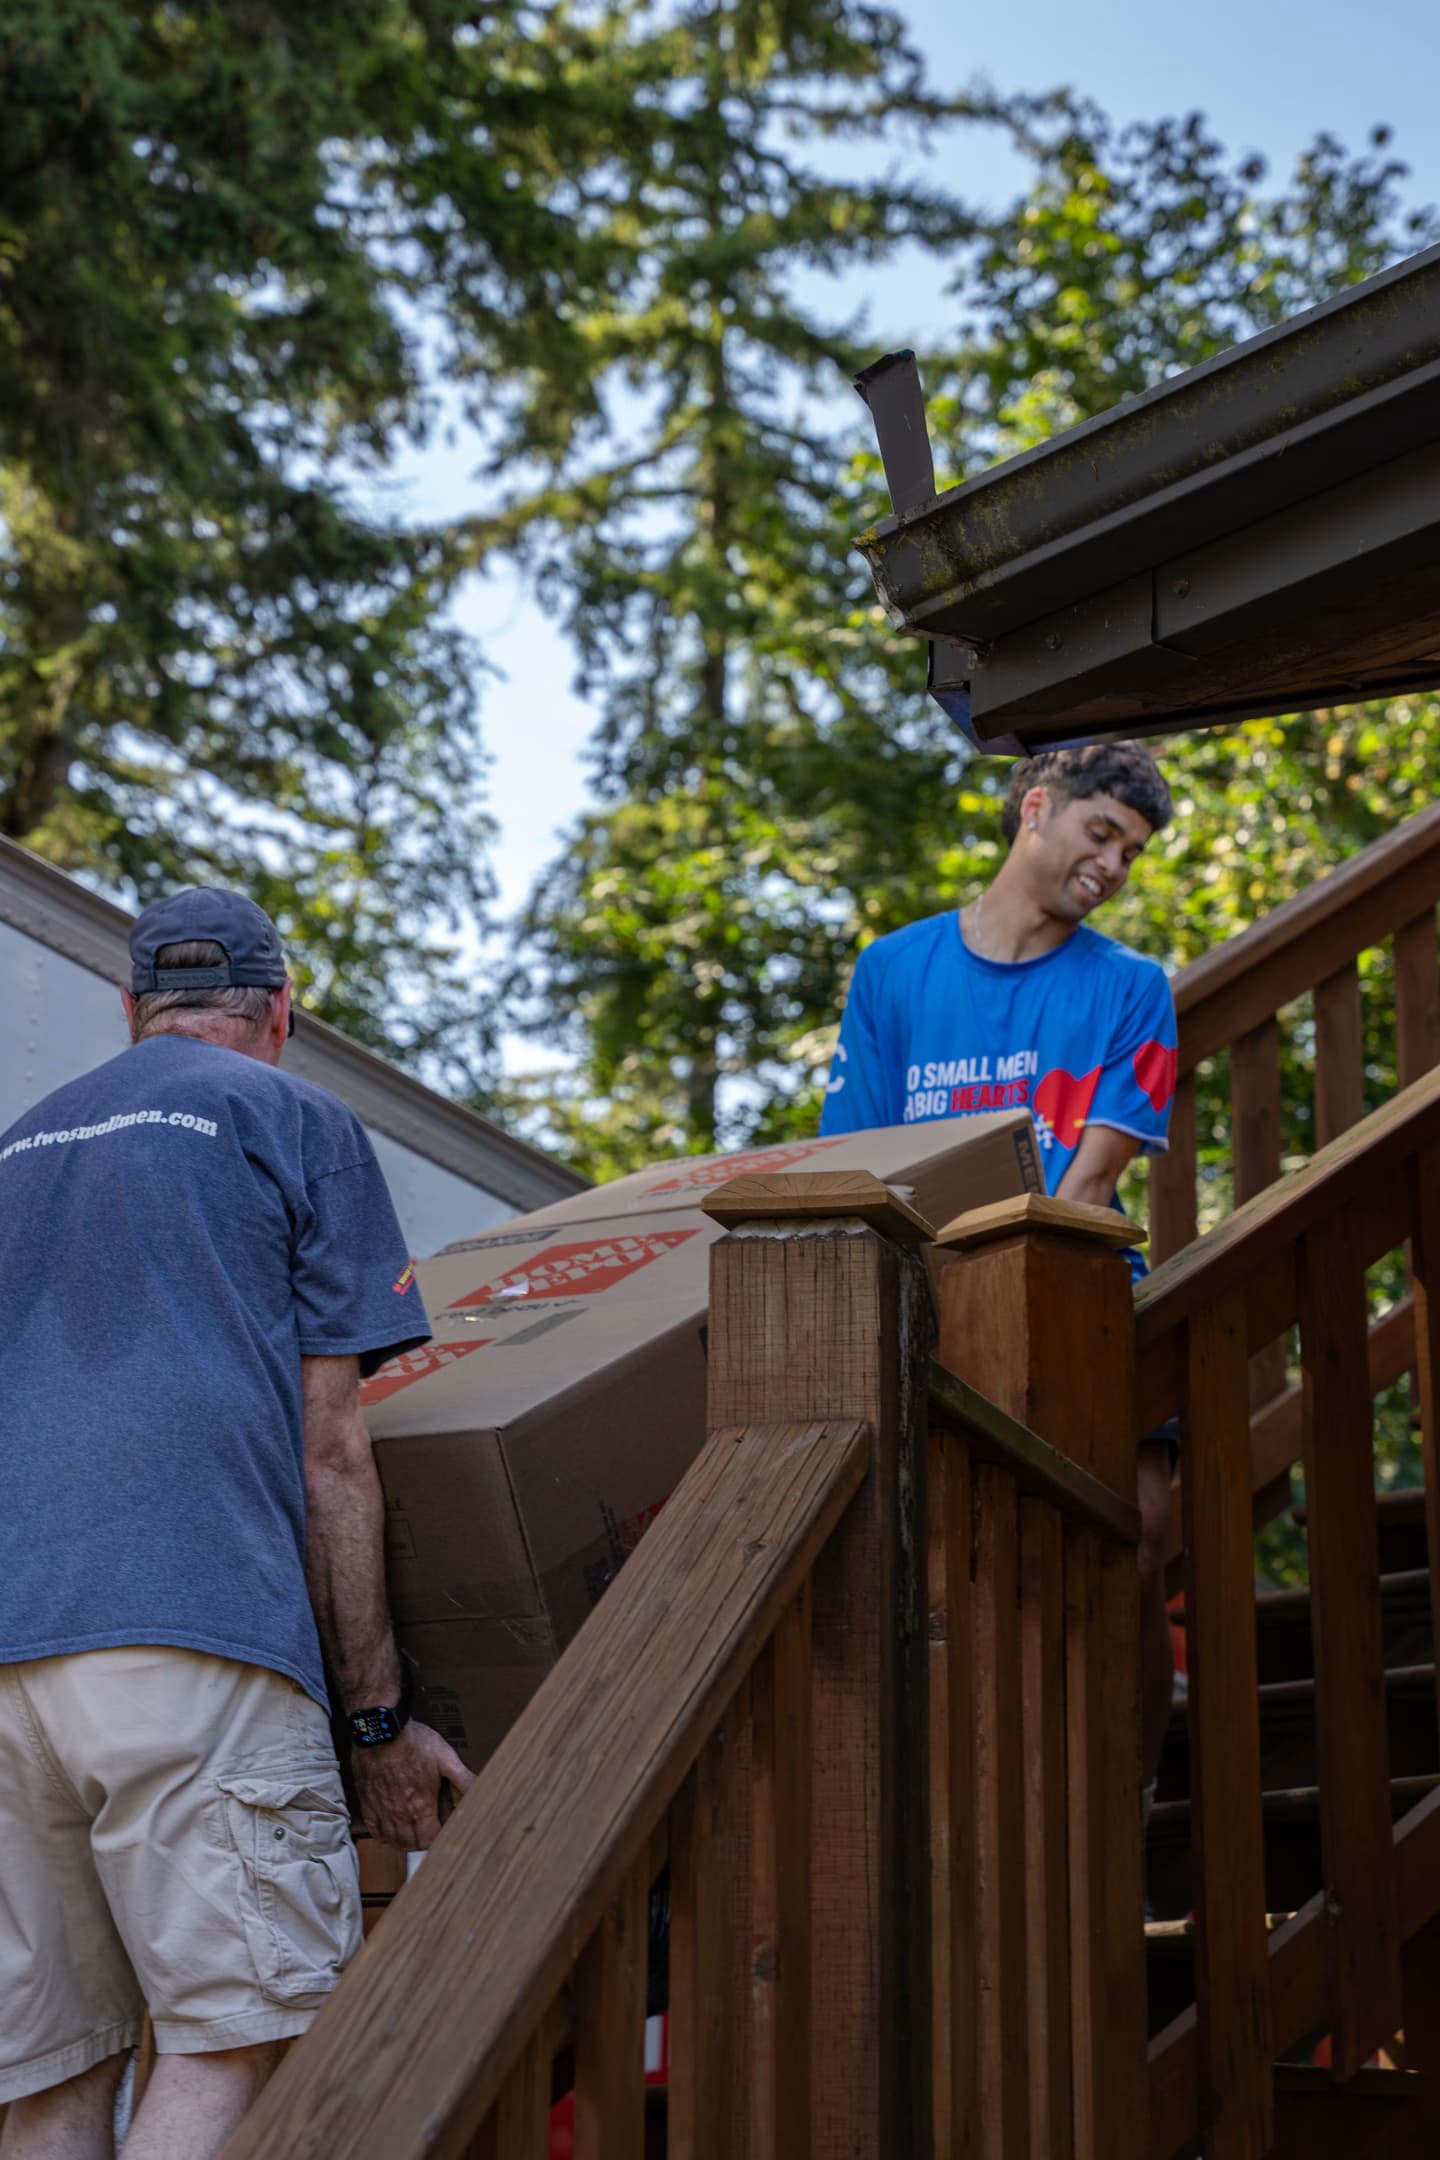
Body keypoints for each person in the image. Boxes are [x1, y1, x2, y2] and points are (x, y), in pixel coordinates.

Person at [0, 888, 472, 2160]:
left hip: (6, 1660)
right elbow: (333, 1453)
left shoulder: (12, 1147)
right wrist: (374, 1722)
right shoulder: (294, 1117)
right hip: (191, 1642)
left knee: (48, 2079)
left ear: (130, 1011)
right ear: (279, 1010)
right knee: (232, 2044)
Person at [820, 741, 1179, 1807]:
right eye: (1099, 832)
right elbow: (855, 1167)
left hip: (1082, 1305)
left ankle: (1131, 1807)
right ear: (1037, 808)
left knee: (1138, 1546)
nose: (1113, 865)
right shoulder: (895, 971)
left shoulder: (1132, 989)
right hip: (927, 1319)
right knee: (957, 1584)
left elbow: (1092, 1183)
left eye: (1132, 851)